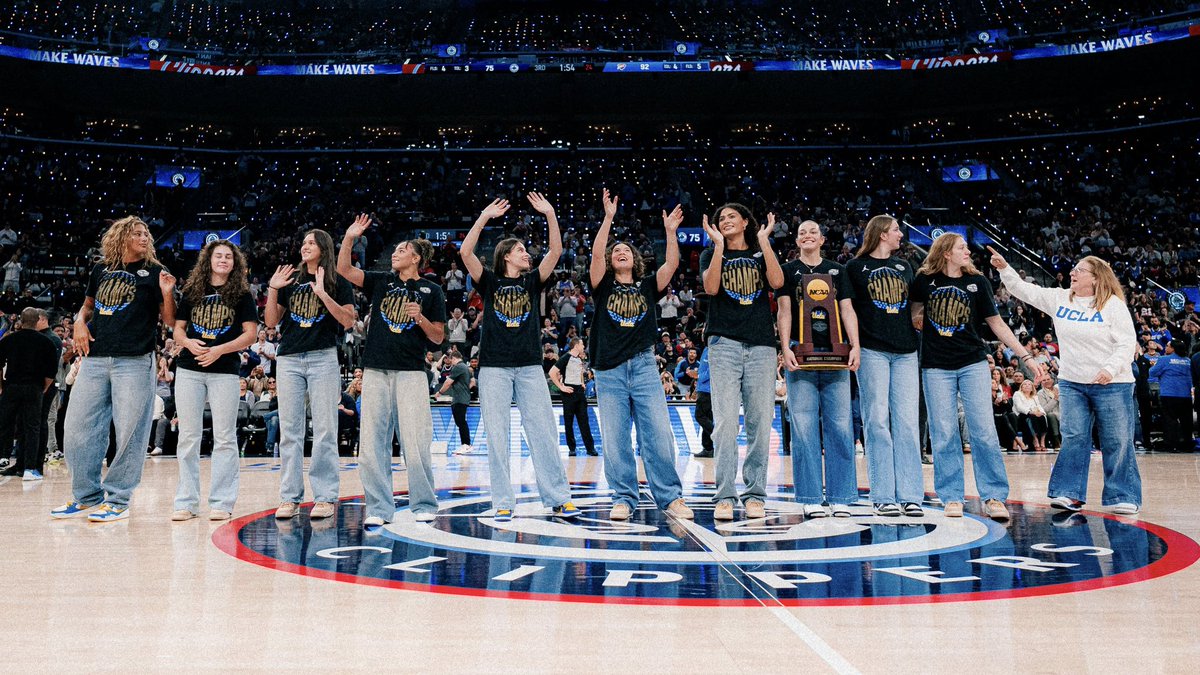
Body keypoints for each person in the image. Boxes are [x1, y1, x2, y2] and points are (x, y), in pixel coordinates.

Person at [989, 247, 1141, 515]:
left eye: (1079, 270)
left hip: (1113, 383)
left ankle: (1123, 494)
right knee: (1074, 437)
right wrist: (1004, 269)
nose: (1073, 273)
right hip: (1073, 383)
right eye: (1073, 269)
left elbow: (1127, 344)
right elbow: (1025, 291)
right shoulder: (1060, 299)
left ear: (1095, 278)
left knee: (1117, 439)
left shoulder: (1113, 305)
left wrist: (1109, 368)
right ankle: (1068, 494)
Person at [459, 195, 579, 522]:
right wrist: (484, 215)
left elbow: (555, 252)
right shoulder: (490, 281)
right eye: (520, 250)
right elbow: (465, 252)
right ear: (505, 256)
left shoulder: (531, 280)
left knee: (543, 432)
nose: (527, 254)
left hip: (529, 366)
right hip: (494, 367)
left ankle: (557, 498)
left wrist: (551, 212)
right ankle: (502, 501)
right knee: (497, 436)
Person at [51, 216, 176, 522]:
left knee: (130, 431)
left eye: (146, 233)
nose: (144, 237)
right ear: (121, 237)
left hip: (134, 360)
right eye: (137, 233)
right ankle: (86, 495)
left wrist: (169, 293)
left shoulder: (157, 272)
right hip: (94, 358)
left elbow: (170, 321)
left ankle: (118, 499)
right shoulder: (100, 269)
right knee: (77, 428)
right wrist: (80, 322)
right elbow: (88, 306)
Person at [912, 233, 1046, 520]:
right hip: (936, 365)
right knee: (944, 432)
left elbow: (997, 324)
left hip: (972, 362)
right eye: (962, 247)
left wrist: (1025, 356)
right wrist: (920, 321)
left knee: (984, 431)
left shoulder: (978, 283)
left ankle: (994, 495)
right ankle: (951, 497)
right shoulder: (924, 280)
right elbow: (913, 314)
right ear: (946, 252)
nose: (968, 251)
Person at [587, 191, 692, 520]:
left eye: (625, 250)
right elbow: (595, 257)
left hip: (645, 367)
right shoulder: (602, 285)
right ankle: (623, 498)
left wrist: (671, 233)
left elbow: (672, 264)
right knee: (616, 440)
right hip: (610, 370)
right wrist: (607, 218)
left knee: (659, 435)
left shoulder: (647, 285)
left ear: (635, 260)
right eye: (615, 251)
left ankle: (671, 498)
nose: (620, 253)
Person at [337, 215, 446, 527]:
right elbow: (344, 270)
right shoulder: (381, 281)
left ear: (416, 258)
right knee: (372, 444)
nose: (395, 253)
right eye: (395, 250)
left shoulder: (431, 291)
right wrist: (349, 237)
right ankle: (379, 508)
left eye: (402, 250)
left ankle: (424, 504)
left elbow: (438, 337)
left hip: (411, 371)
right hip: (375, 370)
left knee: (415, 442)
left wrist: (420, 319)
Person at [699, 203, 784, 520]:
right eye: (721, 218)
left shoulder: (762, 251)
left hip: (761, 345)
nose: (724, 220)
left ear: (747, 222)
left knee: (760, 424)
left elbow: (776, 282)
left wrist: (764, 241)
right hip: (724, 344)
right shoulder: (712, 254)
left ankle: (755, 494)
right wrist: (719, 246)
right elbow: (711, 287)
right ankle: (724, 495)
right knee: (724, 425)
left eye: (731, 216)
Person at [265, 229, 356, 520]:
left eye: (311, 243)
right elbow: (270, 322)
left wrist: (322, 293)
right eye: (303, 242)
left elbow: (348, 320)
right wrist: (273, 288)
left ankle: (325, 496)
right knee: (290, 431)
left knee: (325, 430)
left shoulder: (337, 281)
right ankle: (289, 497)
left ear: (324, 248)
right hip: (289, 357)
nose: (304, 246)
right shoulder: (290, 279)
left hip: (322, 357)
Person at [776, 220, 861, 518]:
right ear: (797, 240)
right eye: (802, 233)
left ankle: (841, 495)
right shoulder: (787, 271)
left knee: (840, 426)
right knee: (803, 428)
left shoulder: (839, 270)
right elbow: (784, 310)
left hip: (836, 356)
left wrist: (855, 345)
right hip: (801, 357)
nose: (807, 236)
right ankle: (810, 496)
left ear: (823, 239)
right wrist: (785, 346)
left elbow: (848, 309)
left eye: (813, 232)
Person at [170, 239, 258, 521]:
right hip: (189, 367)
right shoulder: (193, 290)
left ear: (235, 263)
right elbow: (178, 330)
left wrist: (220, 349)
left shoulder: (242, 294)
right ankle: (186, 501)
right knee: (188, 436)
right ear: (208, 259)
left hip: (225, 369)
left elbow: (250, 335)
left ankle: (221, 501)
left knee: (224, 437)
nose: (223, 260)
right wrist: (188, 343)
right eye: (218, 255)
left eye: (229, 257)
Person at [846, 215, 923, 517]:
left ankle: (911, 494)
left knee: (906, 423)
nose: (901, 234)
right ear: (881, 235)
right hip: (872, 349)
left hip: (906, 351)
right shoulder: (855, 267)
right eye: (895, 230)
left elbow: (916, 304)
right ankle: (882, 495)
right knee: (876, 421)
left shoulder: (905, 267)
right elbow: (847, 308)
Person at [0, 307, 58, 480]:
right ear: (36, 320)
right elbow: (51, 371)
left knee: (7, 423)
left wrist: (1, 386)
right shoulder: (46, 341)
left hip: (11, 386)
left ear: (21, 320)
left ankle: (4, 457)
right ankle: (29, 469)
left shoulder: (9, 339)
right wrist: (44, 388)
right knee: (32, 427)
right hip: (34, 387)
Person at [548, 337, 597, 457]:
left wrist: (582, 382)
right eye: (582, 344)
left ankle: (590, 448)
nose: (584, 346)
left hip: (579, 392)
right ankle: (572, 448)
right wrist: (561, 387)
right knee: (568, 422)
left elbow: (579, 372)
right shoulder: (566, 357)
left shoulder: (579, 359)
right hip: (568, 392)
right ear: (576, 346)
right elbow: (552, 372)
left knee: (584, 421)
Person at [1149, 338, 1193, 453]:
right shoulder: (1188, 361)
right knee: (1186, 421)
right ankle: (1187, 444)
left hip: (1169, 394)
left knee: (1170, 420)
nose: (1165, 348)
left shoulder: (1164, 359)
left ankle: (1171, 445)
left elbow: (1152, 372)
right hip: (1185, 395)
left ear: (1173, 348)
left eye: (1168, 346)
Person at [437, 349, 474, 455]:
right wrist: (466, 389)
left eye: (451, 360)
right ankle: (465, 444)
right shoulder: (466, 368)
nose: (450, 362)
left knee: (461, 422)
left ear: (453, 358)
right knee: (461, 422)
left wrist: (439, 392)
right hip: (463, 397)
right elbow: (473, 381)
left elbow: (448, 382)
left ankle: (466, 445)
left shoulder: (458, 367)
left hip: (459, 399)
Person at [1012, 379, 1049, 452]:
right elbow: (1019, 407)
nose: (1027, 386)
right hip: (1022, 414)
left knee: (1042, 417)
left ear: (1032, 388)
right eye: (1025, 384)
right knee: (1031, 417)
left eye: (1029, 384)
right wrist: (1031, 412)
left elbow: (1039, 406)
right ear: (1021, 387)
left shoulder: (1034, 396)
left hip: (1034, 413)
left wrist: (1042, 412)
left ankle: (1042, 440)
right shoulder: (1017, 394)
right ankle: (1035, 439)